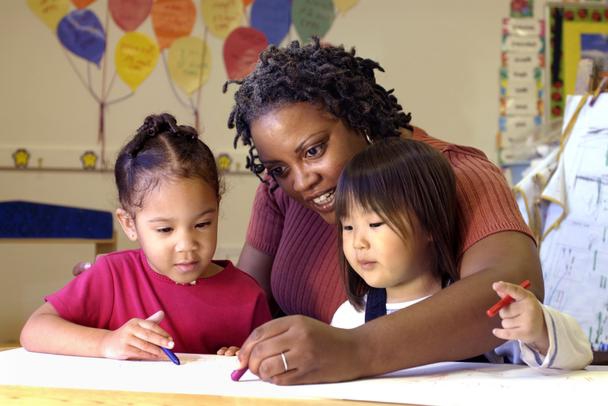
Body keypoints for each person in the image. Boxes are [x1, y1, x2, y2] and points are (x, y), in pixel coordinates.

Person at [224, 37, 545, 384]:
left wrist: (353, 350)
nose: (301, 182)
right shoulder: (279, 190)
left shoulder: (453, 172)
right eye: (279, 168)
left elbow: (508, 286)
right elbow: (241, 306)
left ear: (358, 119)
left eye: (314, 150)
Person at [20, 113, 271, 360]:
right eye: (165, 229)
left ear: (217, 209)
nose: (186, 245)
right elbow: (35, 330)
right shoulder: (112, 276)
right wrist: (107, 343)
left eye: (202, 224)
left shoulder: (247, 295)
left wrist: (244, 358)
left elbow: (263, 363)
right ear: (129, 224)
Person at [331, 137, 592, 370]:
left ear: (430, 224)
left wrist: (540, 329)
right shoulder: (348, 319)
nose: (358, 243)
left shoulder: (483, 310)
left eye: (375, 224)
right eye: (348, 227)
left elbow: (578, 356)